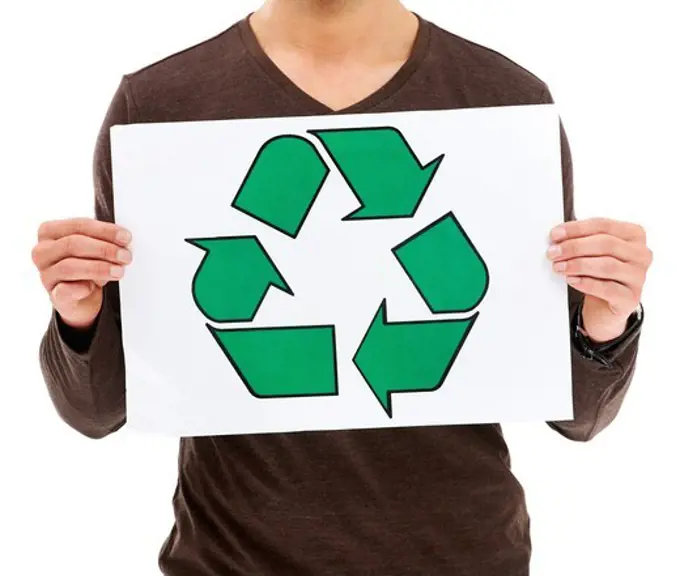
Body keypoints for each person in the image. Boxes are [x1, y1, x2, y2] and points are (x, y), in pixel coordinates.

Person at [32, 1, 652, 574]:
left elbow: (578, 417)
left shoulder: (507, 103)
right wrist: (78, 318)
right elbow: (96, 411)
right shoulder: (161, 106)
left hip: (465, 558)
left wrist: (605, 322)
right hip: (231, 561)